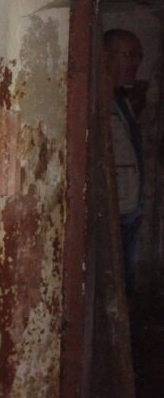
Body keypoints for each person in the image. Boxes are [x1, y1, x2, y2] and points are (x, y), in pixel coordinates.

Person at [105, 29, 145, 298]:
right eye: (129, 55)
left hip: (129, 207)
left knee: (125, 281)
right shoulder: (97, 100)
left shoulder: (120, 99)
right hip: (112, 210)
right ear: (107, 58)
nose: (135, 63)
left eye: (138, 56)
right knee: (112, 284)